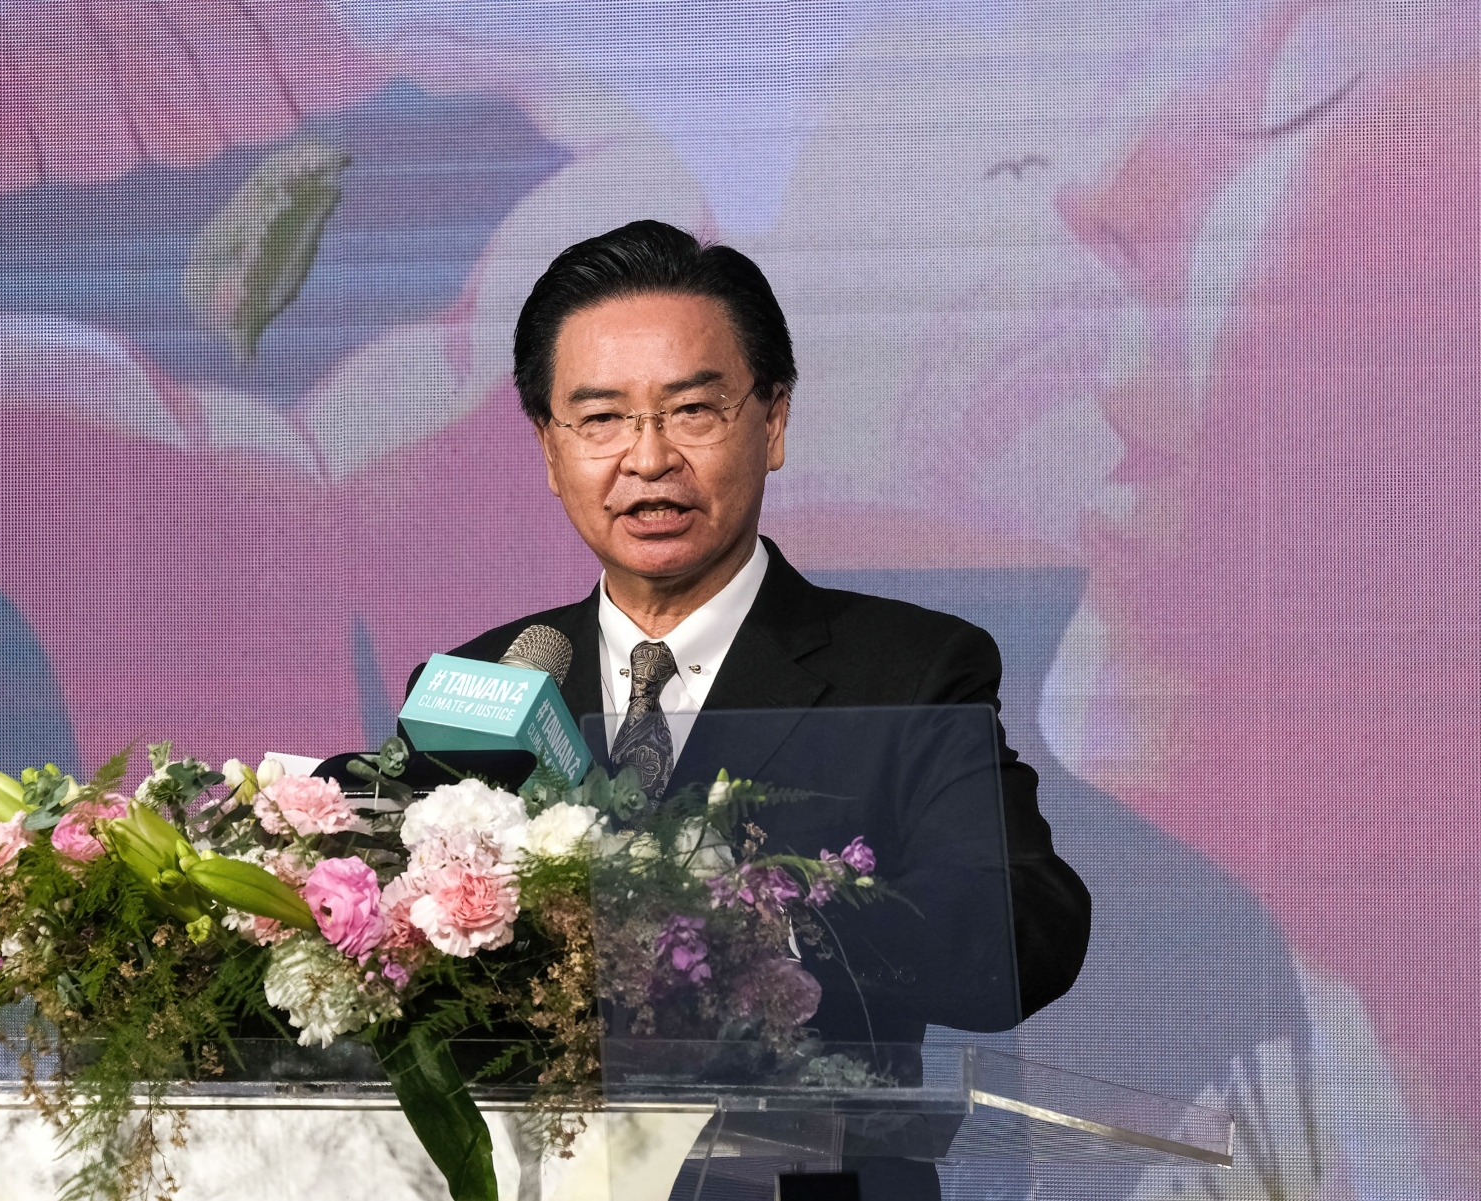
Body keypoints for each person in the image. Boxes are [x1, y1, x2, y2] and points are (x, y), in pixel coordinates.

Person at [433, 219, 1091, 1198]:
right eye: (601, 418)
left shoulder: (907, 671)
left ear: (773, 421)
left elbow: (1023, 924)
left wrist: (765, 929)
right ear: (549, 446)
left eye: (692, 410)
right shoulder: (483, 679)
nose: (648, 459)